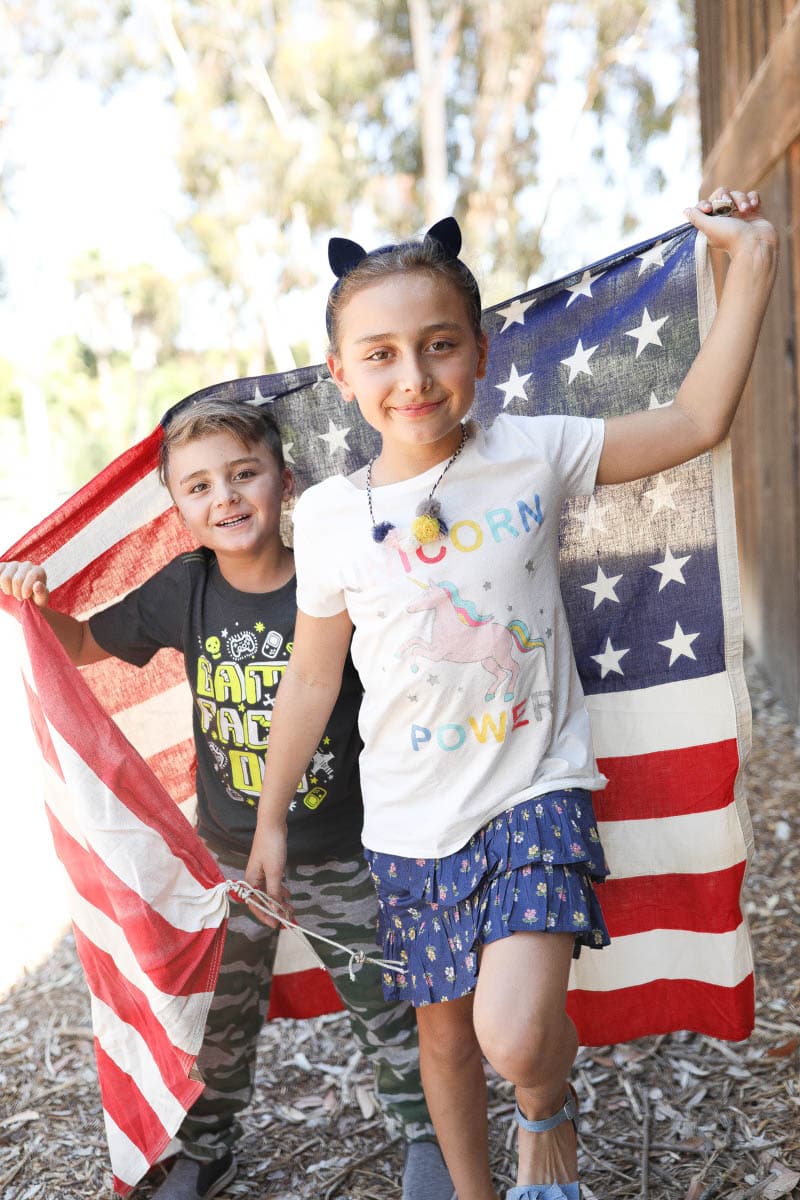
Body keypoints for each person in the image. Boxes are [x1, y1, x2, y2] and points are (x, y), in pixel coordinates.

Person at [243, 189, 777, 1200]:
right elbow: (313, 674)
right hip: (407, 824)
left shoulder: (533, 451)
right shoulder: (322, 517)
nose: (413, 374)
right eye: (381, 354)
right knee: (442, 1036)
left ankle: (546, 1111)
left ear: (479, 352)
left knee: (511, 1032)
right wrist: (271, 818)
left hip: (533, 792)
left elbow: (696, 419)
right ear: (342, 376)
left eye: (438, 345)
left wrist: (748, 260)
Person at [0, 399, 456, 1200]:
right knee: (218, 1018)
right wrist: (37, 602)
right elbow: (81, 645)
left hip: (345, 849)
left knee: (386, 1001)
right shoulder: (187, 587)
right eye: (200, 486)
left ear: (284, 480)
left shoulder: (330, 573)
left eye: (244, 475)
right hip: (227, 859)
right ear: (176, 508)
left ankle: (429, 1132)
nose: (227, 499)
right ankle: (208, 1147)